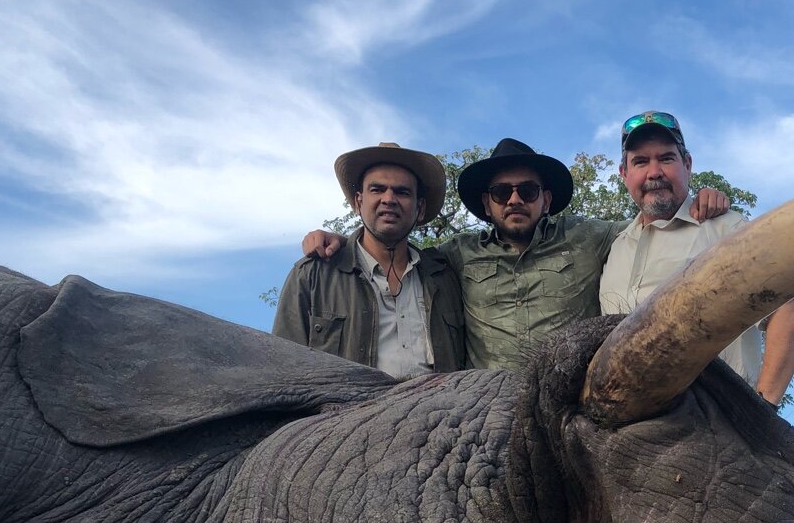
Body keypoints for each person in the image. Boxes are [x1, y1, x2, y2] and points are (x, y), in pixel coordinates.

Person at [300, 138, 729, 370]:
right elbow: (391, 245)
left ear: (545, 198)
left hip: (571, 412)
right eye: (502, 192)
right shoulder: (454, 256)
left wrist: (698, 201)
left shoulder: (591, 237)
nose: (514, 200)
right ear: (486, 203)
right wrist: (335, 239)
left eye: (526, 191)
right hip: (484, 416)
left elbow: (653, 224)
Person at [600, 111, 794, 405]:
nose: (654, 172)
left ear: (687, 164)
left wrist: (763, 410)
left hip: (715, 430)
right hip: (625, 431)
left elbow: (788, 310)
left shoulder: (724, 227)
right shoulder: (615, 246)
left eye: (666, 158)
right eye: (641, 162)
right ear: (624, 174)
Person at [273, 143, 465, 377]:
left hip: (439, 412)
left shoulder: (445, 278)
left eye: (402, 192)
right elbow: (282, 369)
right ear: (358, 202)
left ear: (420, 208)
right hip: (346, 413)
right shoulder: (312, 276)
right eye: (377, 189)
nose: (389, 199)